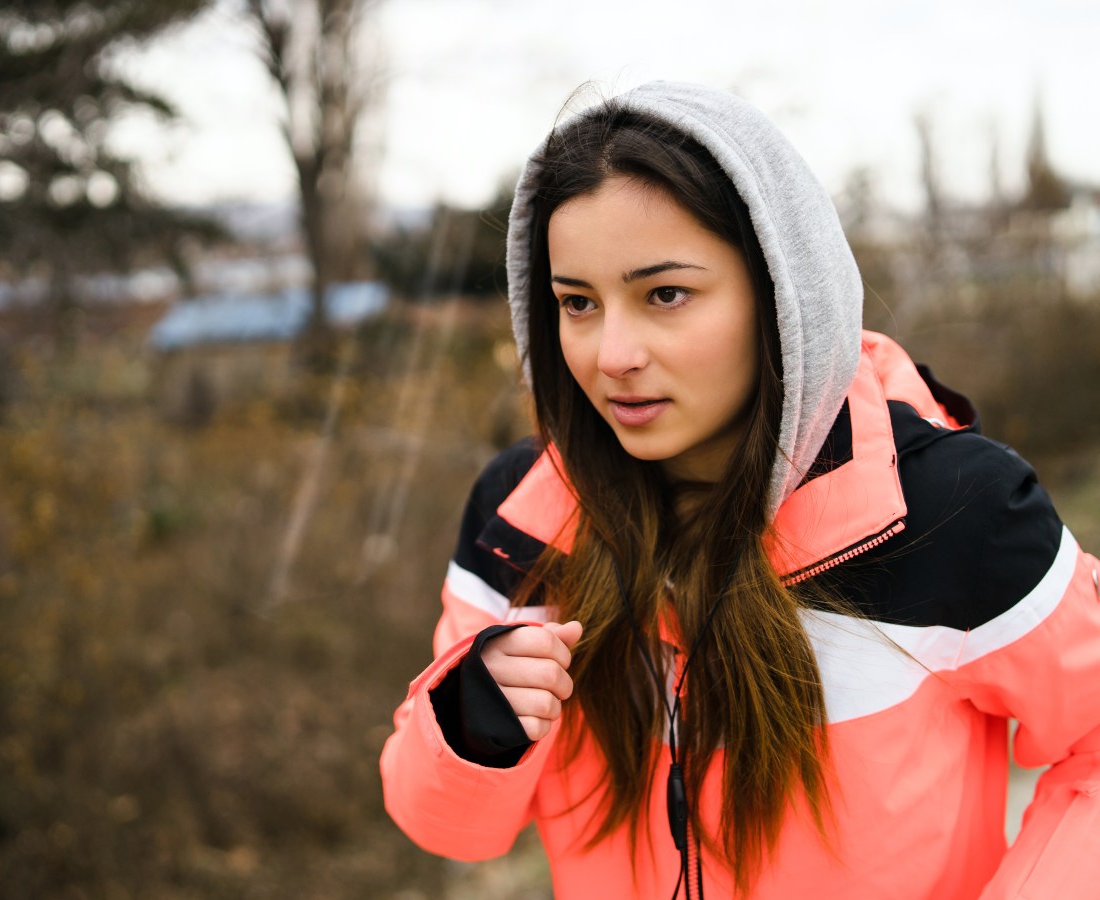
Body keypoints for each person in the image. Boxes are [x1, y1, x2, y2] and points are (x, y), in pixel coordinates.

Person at [379, 82, 1100, 899]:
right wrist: (473, 718)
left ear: (780, 293)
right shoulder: (524, 518)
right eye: (577, 303)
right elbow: (443, 825)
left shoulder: (950, 509)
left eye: (665, 295)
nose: (612, 353)